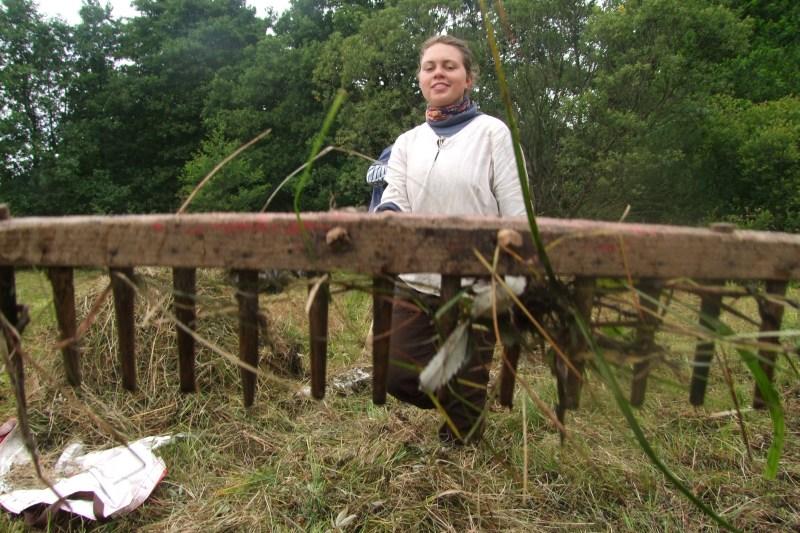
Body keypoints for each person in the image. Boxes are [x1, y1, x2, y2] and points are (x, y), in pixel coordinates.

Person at [374, 35, 526, 444]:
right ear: (421, 79)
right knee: (395, 374)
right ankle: (464, 398)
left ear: (468, 78)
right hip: (416, 278)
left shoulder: (492, 134)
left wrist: (511, 278)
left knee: (463, 400)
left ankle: (463, 435)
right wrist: (387, 220)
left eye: (449, 66)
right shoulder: (407, 143)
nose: (438, 73)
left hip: (477, 284)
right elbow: (394, 199)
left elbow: (517, 213)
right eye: (430, 67)